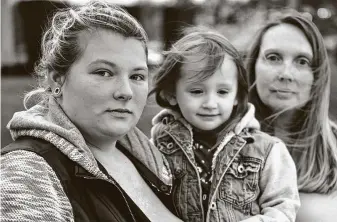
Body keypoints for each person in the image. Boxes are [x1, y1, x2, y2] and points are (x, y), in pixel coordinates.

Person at [0, 1, 183, 221]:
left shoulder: (153, 158)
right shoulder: (29, 171)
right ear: (57, 78)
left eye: (137, 76)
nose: (126, 92)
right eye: (104, 72)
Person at [150, 26, 300, 222]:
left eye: (222, 92)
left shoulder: (267, 150)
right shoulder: (159, 146)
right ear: (171, 94)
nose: (210, 104)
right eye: (196, 91)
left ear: (237, 95)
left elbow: (283, 209)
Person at [245, 11, 337, 222]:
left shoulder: (334, 146)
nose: (286, 74)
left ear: (317, 75)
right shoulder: (220, 138)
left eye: (302, 61)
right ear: (254, 66)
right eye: (273, 58)